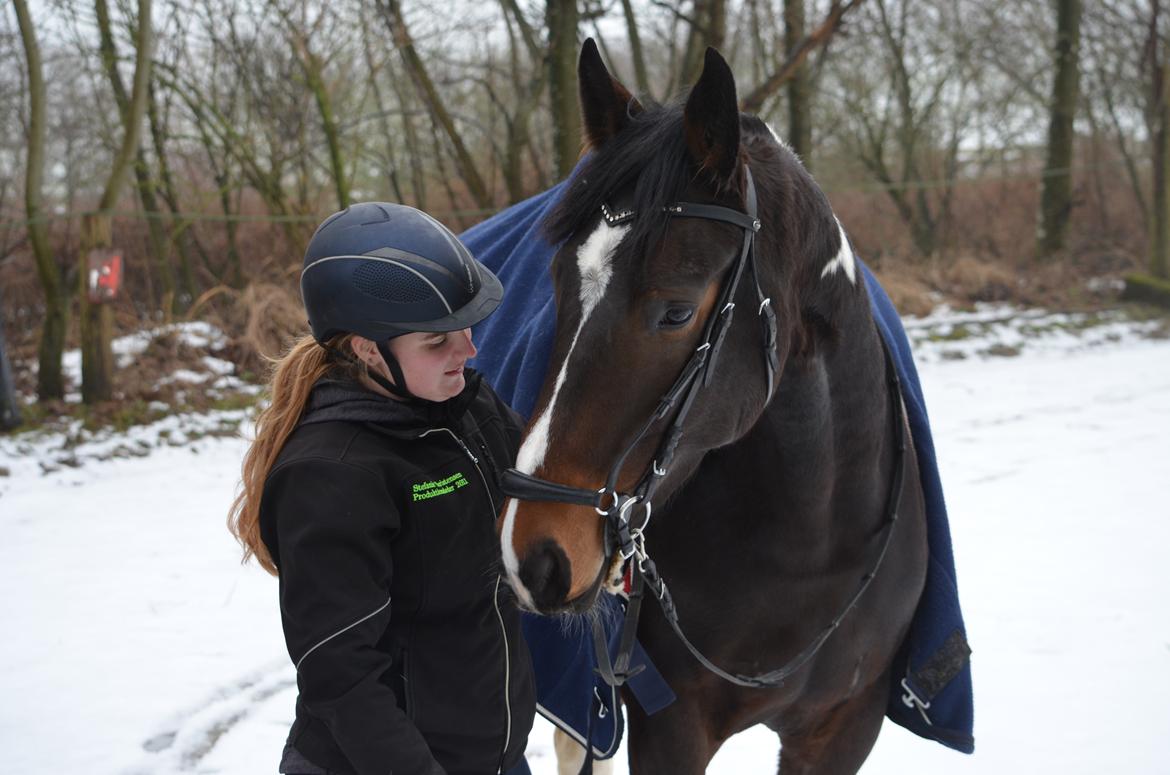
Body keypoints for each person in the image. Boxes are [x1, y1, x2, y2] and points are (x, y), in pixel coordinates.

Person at [228, 202, 536, 775]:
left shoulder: (467, 406)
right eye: (436, 341)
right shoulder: (331, 474)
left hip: (493, 756)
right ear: (368, 349)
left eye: (466, 328)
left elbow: (537, 494)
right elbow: (339, 674)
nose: (467, 351)